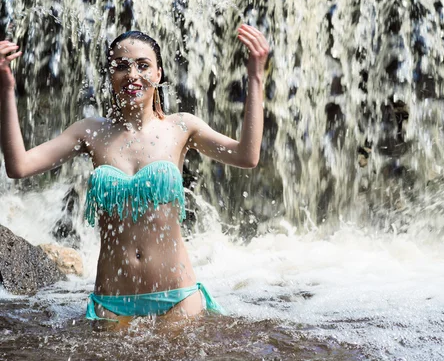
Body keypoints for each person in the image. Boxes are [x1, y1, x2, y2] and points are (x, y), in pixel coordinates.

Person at [0, 25, 269, 325]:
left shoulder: (181, 127)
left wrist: (256, 77)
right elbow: (19, 166)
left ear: (158, 74)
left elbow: (247, 156)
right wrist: (6, 88)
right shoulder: (90, 132)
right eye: (121, 66)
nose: (132, 75)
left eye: (143, 66)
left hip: (177, 297)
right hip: (112, 302)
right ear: (110, 75)